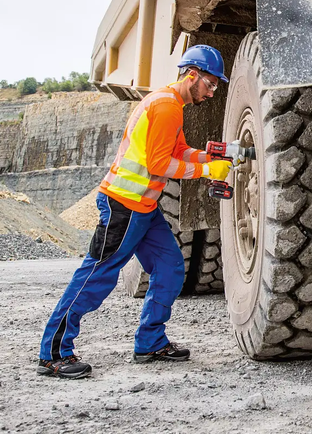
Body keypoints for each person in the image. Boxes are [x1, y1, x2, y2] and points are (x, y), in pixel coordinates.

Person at [36, 45, 233, 379]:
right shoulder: (167, 106)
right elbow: (159, 164)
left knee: (170, 267)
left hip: (144, 207)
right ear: (191, 75)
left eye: (215, 86)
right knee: (97, 276)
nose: (212, 92)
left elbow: (179, 150)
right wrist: (205, 173)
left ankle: (150, 342)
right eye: (210, 84)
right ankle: (54, 354)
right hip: (124, 206)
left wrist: (211, 156)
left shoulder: (171, 104)